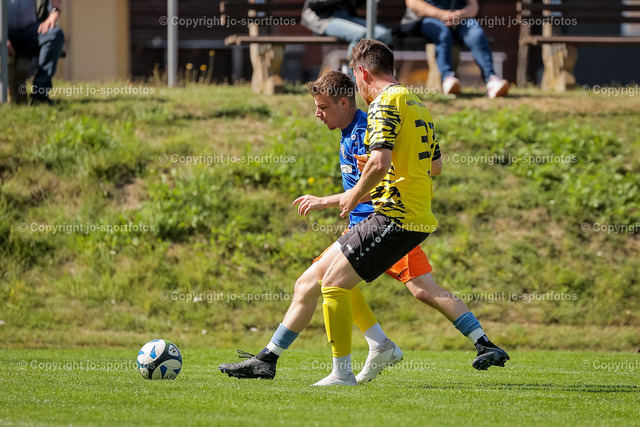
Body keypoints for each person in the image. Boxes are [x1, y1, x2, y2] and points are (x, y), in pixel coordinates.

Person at [219, 70, 508, 384]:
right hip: (365, 227)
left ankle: (470, 343)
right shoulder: (351, 130)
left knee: (415, 289)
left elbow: (378, 185)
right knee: (315, 283)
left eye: (323, 107)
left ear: (344, 103)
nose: (317, 114)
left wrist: (324, 201)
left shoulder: (364, 131)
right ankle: (273, 358)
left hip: (383, 226)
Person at [311, 40, 507, 386]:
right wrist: (390, 166)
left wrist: (355, 193)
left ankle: (346, 369)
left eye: (355, 78)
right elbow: (435, 166)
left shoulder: (383, 103)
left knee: (333, 284)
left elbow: (380, 162)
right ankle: (476, 341)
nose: (358, 89)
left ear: (362, 72)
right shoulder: (418, 104)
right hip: (414, 214)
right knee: (340, 277)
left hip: (394, 215)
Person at [403, 0, 509, 97]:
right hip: (429, 19)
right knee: (442, 34)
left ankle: (491, 79)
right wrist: (441, 14)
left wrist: (460, 14)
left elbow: (473, 6)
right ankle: (447, 78)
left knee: (476, 34)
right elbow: (413, 2)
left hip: (460, 19)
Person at [301, 0, 392, 74]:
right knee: (360, 35)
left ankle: (365, 72)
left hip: (346, 17)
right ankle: (351, 73)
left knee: (384, 35)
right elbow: (314, 4)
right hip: (325, 19)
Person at [7, 0, 65, 104]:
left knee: (55, 34)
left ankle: (40, 94)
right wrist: (2, 38)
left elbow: (55, 4)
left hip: (31, 32)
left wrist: (53, 14)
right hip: (4, 33)